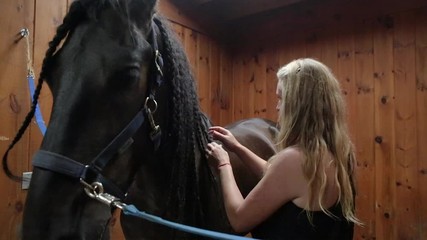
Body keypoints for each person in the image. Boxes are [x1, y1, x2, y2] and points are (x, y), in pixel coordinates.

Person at [206, 58, 361, 239]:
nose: (277, 106)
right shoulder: (340, 152)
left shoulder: (294, 159)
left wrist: (224, 164)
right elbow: (277, 177)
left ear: (299, 106)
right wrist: (238, 148)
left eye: (281, 98)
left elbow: (239, 218)